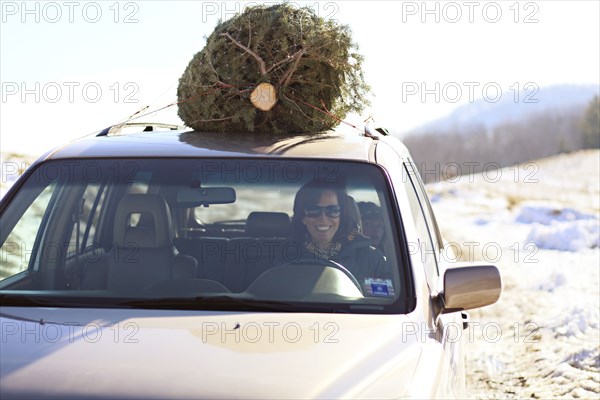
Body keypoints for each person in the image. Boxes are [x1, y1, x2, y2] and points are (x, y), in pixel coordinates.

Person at [291, 181, 392, 295]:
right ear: (303, 218)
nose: (323, 218)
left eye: (333, 210)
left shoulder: (373, 258)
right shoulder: (283, 256)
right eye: (313, 211)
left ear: (342, 216)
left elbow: (391, 295)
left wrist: (358, 287)